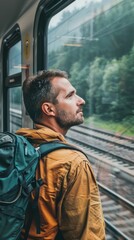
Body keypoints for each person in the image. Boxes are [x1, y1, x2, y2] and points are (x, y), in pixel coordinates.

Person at [17, 69, 105, 240]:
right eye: (70, 96)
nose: (81, 101)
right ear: (49, 109)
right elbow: (87, 235)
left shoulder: (19, 147)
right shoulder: (73, 163)